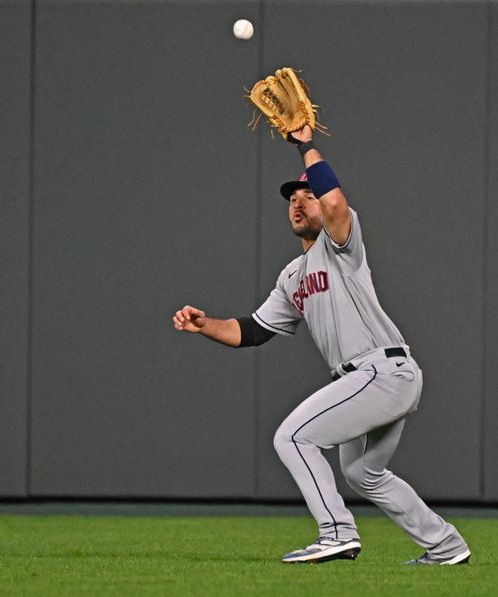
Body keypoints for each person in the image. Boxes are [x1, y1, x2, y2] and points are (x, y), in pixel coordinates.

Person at [172, 125, 471, 566]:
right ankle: (446, 546)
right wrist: (206, 325)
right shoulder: (292, 276)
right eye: (292, 198)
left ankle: (336, 533)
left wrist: (304, 144)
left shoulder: (341, 246)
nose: (297, 201)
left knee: (292, 436)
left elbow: (335, 203)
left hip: (379, 372)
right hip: (378, 378)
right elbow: (252, 330)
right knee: (363, 473)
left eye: (306, 195)